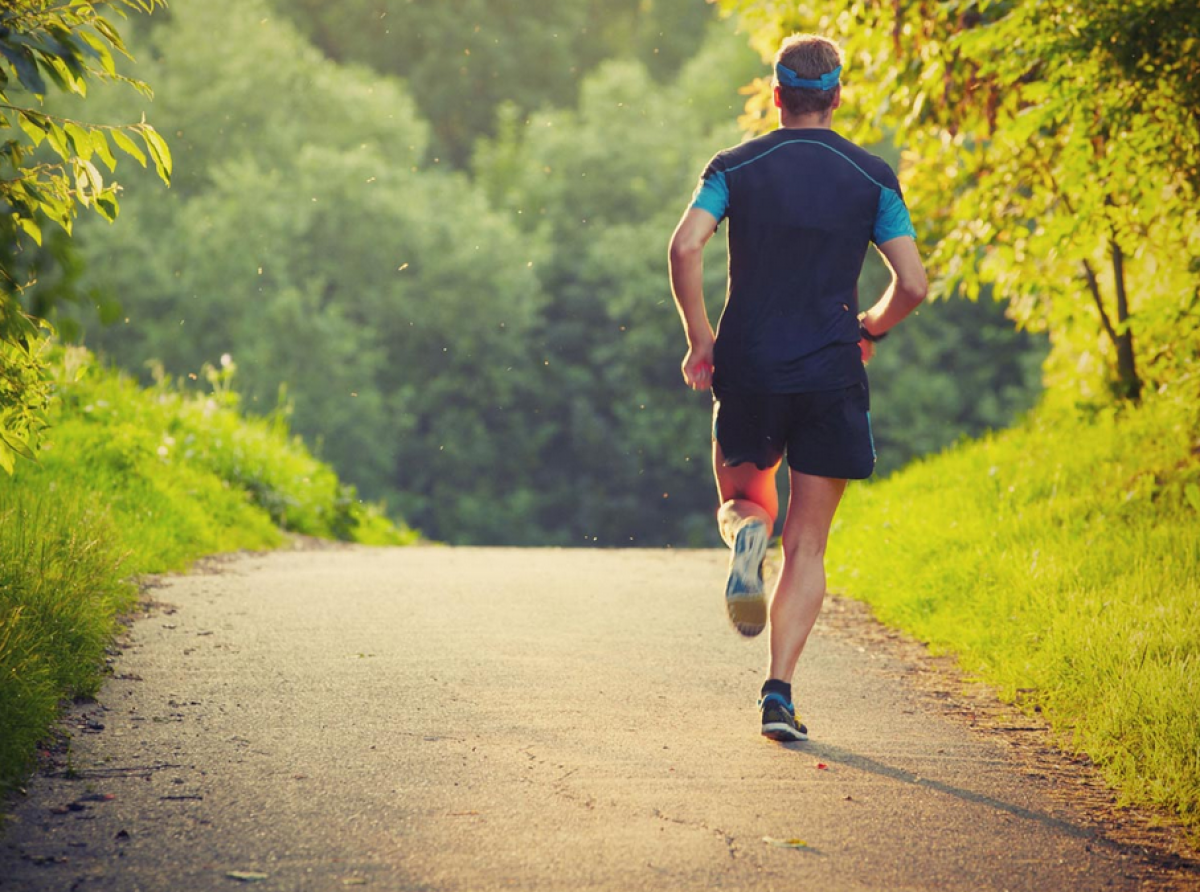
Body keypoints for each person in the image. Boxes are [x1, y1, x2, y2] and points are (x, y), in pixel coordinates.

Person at [667, 33, 928, 742]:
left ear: (777, 95)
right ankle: (778, 694)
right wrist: (869, 328)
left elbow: (685, 245)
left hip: (749, 366)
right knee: (807, 546)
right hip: (830, 376)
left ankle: (746, 535)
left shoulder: (735, 167)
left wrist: (700, 340)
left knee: (744, 499)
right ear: (836, 96)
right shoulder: (871, 177)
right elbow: (913, 284)